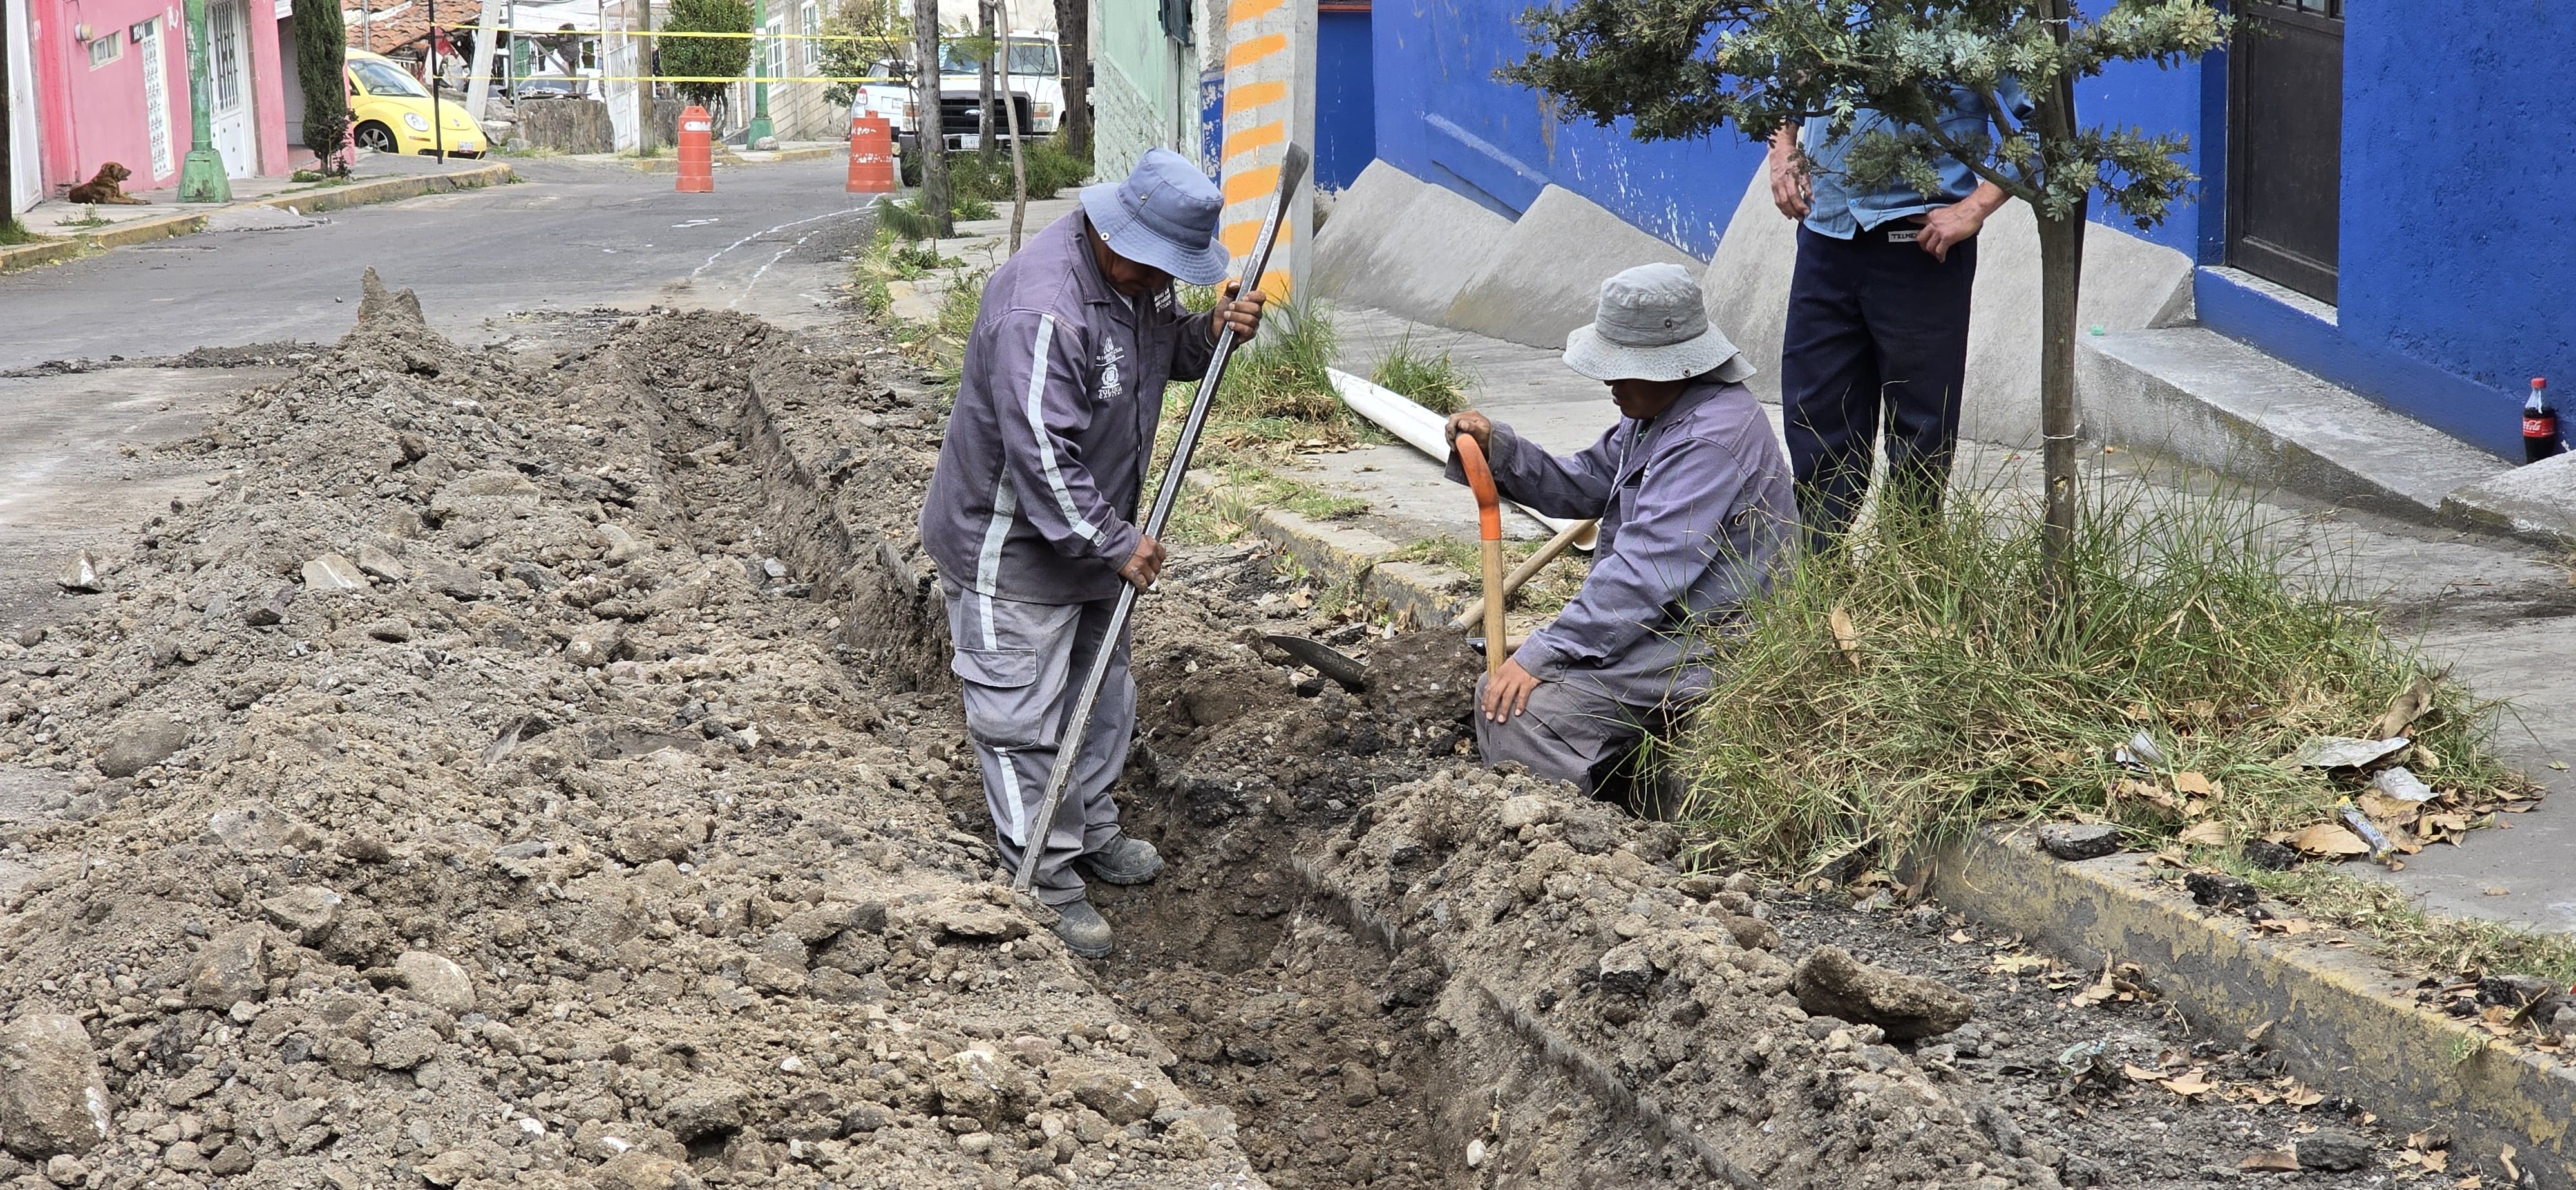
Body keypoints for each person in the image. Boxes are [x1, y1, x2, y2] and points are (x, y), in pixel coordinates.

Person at [918, 148, 1266, 958]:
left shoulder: (1135, 278)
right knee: (1019, 719)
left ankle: (1088, 829)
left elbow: (1147, 362)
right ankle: (1041, 876)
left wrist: (1209, 332)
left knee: (1101, 695)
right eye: (1157, 270)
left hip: (1093, 538)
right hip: (1015, 548)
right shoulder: (1042, 308)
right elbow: (1041, 457)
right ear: (1117, 233)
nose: (1161, 284)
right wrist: (1116, 541)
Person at [1443, 263, 1795, 795]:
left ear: (1675, 364)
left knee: (1517, 712)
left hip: (1714, 639)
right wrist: (1500, 451)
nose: (1609, 381)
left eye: (1622, 368)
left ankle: (1562, 846)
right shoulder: (1659, 413)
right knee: (1509, 692)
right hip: (1667, 624)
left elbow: (1644, 575)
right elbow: (1585, 482)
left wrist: (1544, 652)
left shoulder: (1709, 438)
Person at [1769, 80, 2031, 552]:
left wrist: (1976, 207)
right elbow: (1782, 77)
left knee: (1921, 428)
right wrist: (1784, 145)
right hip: (1825, 236)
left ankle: (1909, 572)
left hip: (1922, 245)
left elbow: (2050, 128)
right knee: (1815, 412)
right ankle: (1814, 572)